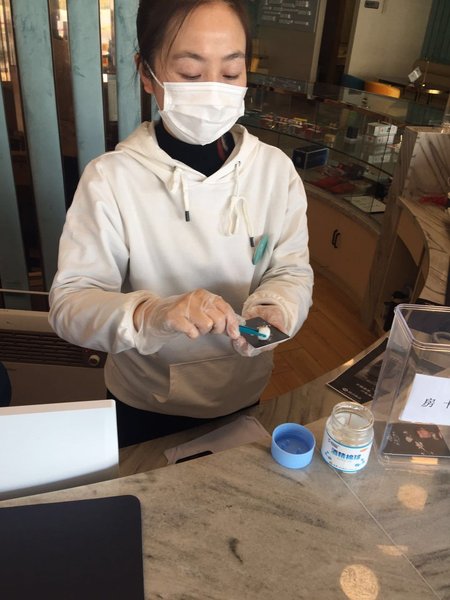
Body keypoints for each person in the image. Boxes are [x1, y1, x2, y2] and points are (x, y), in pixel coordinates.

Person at [48, 0, 313, 447]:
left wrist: (277, 309)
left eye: (231, 72)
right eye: (190, 74)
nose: (212, 90)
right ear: (146, 73)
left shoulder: (274, 172)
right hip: (143, 400)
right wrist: (151, 315)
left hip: (245, 390)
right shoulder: (111, 179)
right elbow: (71, 305)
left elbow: (290, 270)